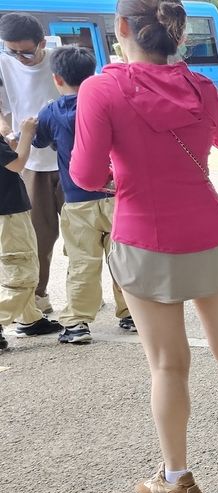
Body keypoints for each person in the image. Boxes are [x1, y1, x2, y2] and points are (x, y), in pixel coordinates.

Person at [71, 0, 218, 493]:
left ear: (121, 29)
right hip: (210, 231)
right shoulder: (201, 86)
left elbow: (87, 177)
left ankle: (177, 480)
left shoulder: (101, 88)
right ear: (177, 33)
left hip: (145, 241)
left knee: (167, 364)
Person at [34, 46, 135, 345]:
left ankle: (78, 323)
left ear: (56, 78)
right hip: (118, 194)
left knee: (81, 261)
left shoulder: (52, 112)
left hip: (77, 200)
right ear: (92, 74)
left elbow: (40, 141)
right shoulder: (109, 103)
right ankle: (131, 312)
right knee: (124, 258)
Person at [0, 13, 64, 317]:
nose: (19, 58)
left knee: (87, 234)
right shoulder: (4, 64)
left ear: (42, 43)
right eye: (11, 50)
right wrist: (7, 131)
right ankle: (37, 299)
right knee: (38, 236)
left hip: (70, 161)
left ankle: (89, 298)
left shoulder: (59, 61)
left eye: (26, 51)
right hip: (30, 164)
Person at [0, 115, 62, 350]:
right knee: (22, 273)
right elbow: (17, 164)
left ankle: (30, 318)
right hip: (9, 214)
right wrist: (26, 134)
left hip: (9, 213)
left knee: (19, 265)